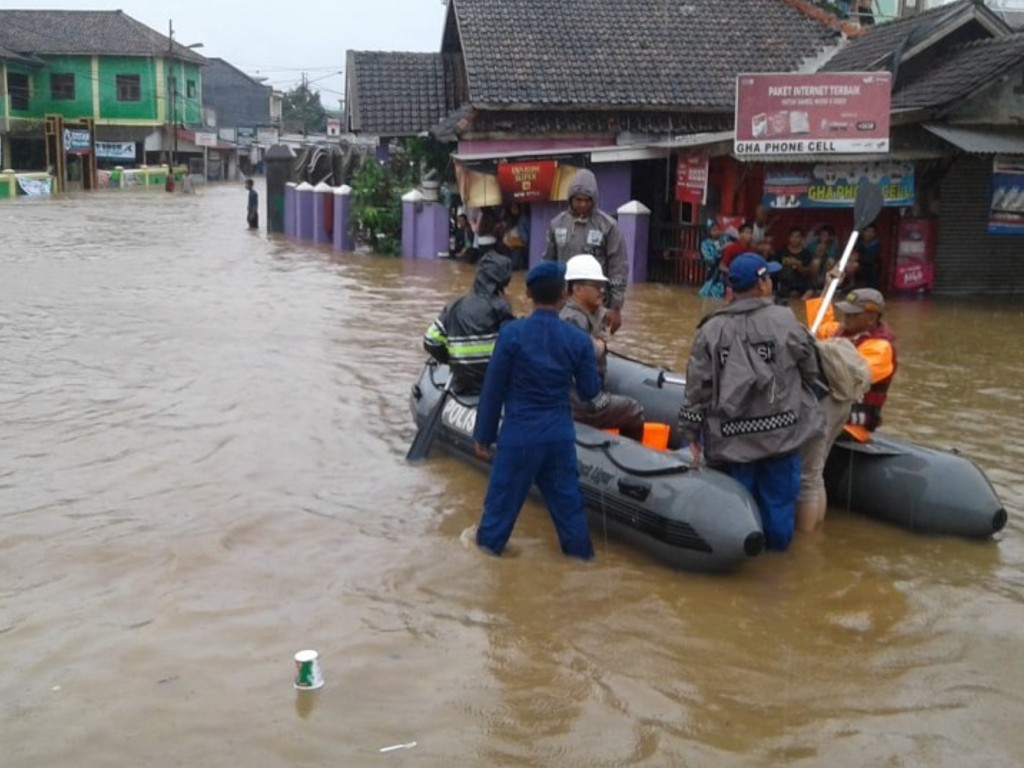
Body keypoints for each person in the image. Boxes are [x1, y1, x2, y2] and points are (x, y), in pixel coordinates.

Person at [678, 253, 823, 551]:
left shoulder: (710, 330)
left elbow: (696, 388)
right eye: (768, 277)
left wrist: (691, 434)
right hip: (780, 437)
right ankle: (775, 567)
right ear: (761, 284)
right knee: (779, 506)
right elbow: (812, 369)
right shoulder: (784, 320)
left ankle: (738, 562)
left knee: (736, 507)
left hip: (730, 440)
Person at [473, 261, 602, 560]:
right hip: (559, 436)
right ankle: (582, 560)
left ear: (528, 293)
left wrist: (483, 435)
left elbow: (493, 389)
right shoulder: (579, 340)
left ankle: (487, 566)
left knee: (498, 514)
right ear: (564, 294)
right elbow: (589, 392)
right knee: (569, 510)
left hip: (519, 435)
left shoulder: (511, 335)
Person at [559, 254, 645, 439]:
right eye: (596, 286)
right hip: (579, 402)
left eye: (602, 286)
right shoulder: (574, 319)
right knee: (634, 410)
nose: (602, 291)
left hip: (574, 396)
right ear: (577, 288)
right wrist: (599, 348)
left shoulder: (584, 313)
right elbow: (582, 358)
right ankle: (631, 456)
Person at [543, 168, 628, 334]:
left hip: (595, 304)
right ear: (570, 199)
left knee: (593, 348)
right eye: (578, 200)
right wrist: (546, 299)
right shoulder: (557, 225)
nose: (583, 204)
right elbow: (548, 263)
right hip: (563, 302)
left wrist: (616, 307)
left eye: (587, 200)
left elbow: (618, 268)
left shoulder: (608, 227)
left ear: (594, 199)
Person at [423, 251, 515, 395]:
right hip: (492, 387)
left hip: (461, 385)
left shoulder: (454, 305)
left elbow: (430, 339)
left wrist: (450, 360)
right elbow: (515, 345)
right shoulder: (501, 307)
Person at [816, 288, 897, 443]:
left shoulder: (880, 348)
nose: (847, 317)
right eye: (847, 312)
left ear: (872, 318)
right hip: (824, 416)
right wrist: (827, 288)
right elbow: (820, 324)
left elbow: (849, 377)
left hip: (850, 427)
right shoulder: (839, 330)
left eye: (854, 314)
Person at [698, 220, 727, 299]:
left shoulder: (724, 239)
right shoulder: (705, 243)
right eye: (714, 230)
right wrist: (720, 252)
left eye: (718, 229)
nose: (716, 232)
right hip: (713, 270)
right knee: (708, 291)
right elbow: (708, 258)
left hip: (725, 269)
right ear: (709, 231)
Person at [855, 223, 882, 289]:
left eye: (872, 232)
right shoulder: (859, 242)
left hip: (871, 265)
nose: (869, 233)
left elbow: (871, 257)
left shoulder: (876, 243)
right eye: (867, 231)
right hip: (860, 264)